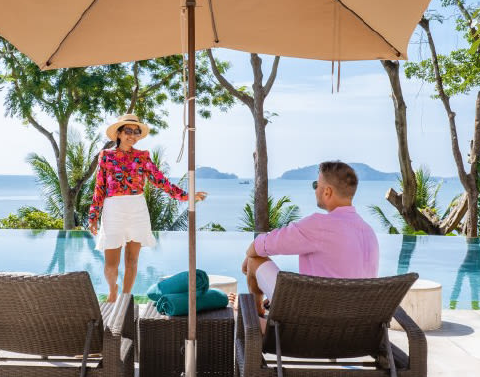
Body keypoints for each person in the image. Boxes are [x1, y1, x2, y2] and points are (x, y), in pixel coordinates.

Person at [88, 113, 207, 302]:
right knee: (111, 263)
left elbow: (160, 180)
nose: (132, 135)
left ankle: (125, 296)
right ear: (118, 133)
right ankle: (113, 290)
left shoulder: (142, 157)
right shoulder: (106, 157)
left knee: (132, 259)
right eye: (128, 131)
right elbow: (99, 187)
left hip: (137, 209)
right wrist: (93, 216)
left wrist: (186, 196)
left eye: (136, 132)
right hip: (113, 210)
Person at [239, 160, 379, 317]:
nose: (315, 190)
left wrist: (249, 257)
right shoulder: (369, 232)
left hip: (311, 323)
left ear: (327, 192)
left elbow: (259, 246)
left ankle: (259, 317)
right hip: (356, 327)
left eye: (316, 185)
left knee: (254, 260)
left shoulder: (318, 226)